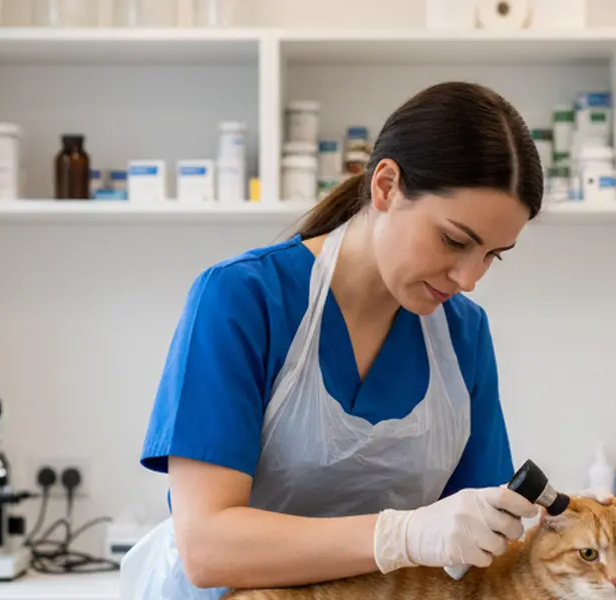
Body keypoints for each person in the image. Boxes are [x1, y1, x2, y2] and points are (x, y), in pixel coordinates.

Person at [118, 81, 545, 600]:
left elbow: (483, 550)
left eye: (492, 255)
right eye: (454, 240)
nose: (468, 277)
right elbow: (208, 547)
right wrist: (402, 535)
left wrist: (567, 533)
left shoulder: (464, 336)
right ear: (386, 185)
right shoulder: (243, 299)